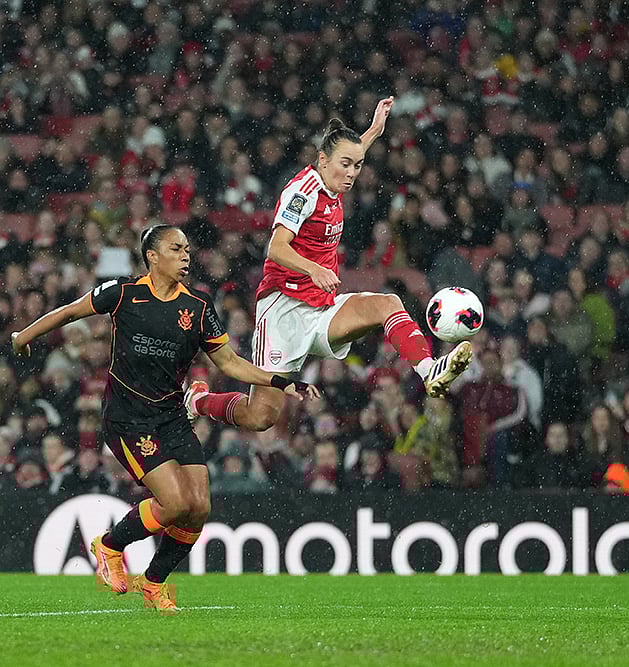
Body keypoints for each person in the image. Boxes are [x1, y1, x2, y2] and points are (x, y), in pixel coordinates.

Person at [10, 225, 319, 613]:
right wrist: (23, 336)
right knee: (173, 503)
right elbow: (70, 312)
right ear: (152, 256)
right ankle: (109, 545)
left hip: (171, 416)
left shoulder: (199, 307)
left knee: (199, 506)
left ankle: (154, 583)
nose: (186, 255)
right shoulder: (122, 292)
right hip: (127, 419)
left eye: (188, 249)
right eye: (176, 249)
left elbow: (229, 363)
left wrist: (281, 381)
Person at [188, 98, 472, 431]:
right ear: (322, 160)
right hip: (283, 311)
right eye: (346, 165)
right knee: (261, 417)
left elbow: (350, 150)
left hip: (321, 307)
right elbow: (276, 248)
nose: (352, 174)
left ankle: (429, 371)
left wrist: (374, 131)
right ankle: (198, 400)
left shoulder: (335, 174)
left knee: (388, 303)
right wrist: (314, 268)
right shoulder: (302, 192)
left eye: (358, 165)